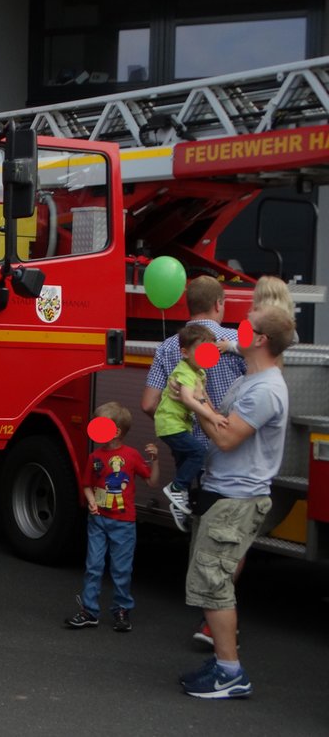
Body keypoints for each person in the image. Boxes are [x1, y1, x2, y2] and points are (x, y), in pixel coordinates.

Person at [174, 304, 294, 699]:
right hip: (224, 492)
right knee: (210, 580)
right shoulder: (250, 379)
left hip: (236, 499)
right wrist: (201, 401)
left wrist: (192, 403)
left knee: (214, 583)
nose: (238, 330)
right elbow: (221, 423)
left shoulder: (266, 390)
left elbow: (225, 438)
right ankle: (224, 665)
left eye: (247, 327)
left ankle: (230, 673)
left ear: (260, 339)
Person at [142, 275, 246, 536]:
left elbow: (147, 404)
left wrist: (177, 421)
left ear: (188, 305)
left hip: (186, 447)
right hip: (228, 451)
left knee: (196, 521)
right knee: (226, 532)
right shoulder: (234, 341)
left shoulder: (169, 346)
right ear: (219, 304)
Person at [65, 401, 160, 633]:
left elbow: (152, 481)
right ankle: (89, 611)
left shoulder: (132, 456)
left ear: (116, 431)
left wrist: (155, 460)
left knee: (121, 569)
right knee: (93, 566)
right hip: (98, 521)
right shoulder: (94, 456)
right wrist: (91, 502)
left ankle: (121, 610)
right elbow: (86, 484)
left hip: (123, 523)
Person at [153, 323, 216, 531]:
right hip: (171, 424)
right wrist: (211, 417)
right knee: (199, 452)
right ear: (185, 352)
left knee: (185, 464)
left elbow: (203, 396)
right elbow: (189, 400)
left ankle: (180, 505)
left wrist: (214, 412)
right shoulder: (186, 372)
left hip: (178, 425)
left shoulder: (198, 372)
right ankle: (176, 487)